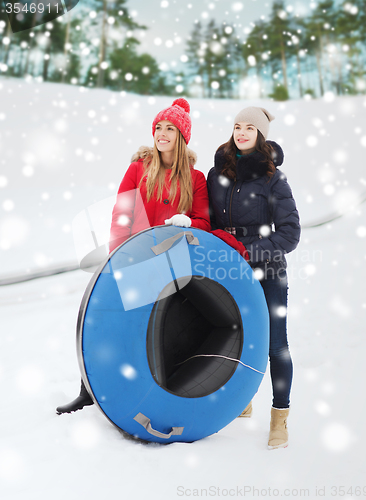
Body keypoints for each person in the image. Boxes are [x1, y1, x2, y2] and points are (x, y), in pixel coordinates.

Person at [56, 98, 211, 415]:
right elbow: (121, 215)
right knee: (106, 322)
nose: (162, 133)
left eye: (169, 128)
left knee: (156, 331)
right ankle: (88, 389)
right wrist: (119, 257)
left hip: (172, 266)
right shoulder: (138, 169)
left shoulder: (195, 179)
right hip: (134, 260)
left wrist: (189, 222)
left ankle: (148, 395)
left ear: (182, 137)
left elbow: (205, 223)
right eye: (158, 127)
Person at [206, 106, 300, 449]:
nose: (241, 132)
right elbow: (209, 220)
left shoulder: (274, 178)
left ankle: (280, 418)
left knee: (275, 344)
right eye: (236, 126)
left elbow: (290, 234)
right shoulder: (216, 174)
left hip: (268, 270)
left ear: (261, 134)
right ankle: (241, 400)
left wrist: (247, 249)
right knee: (235, 337)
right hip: (229, 269)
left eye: (249, 127)